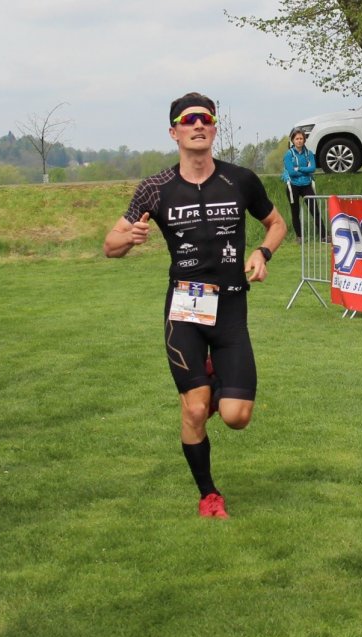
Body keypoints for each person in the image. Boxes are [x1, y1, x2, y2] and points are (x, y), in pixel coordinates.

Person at [103, 92, 286, 520]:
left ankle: (214, 379)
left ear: (214, 128)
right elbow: (110, 245)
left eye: (205, 119)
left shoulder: (240, 180)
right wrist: (127, 240)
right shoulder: (156, 188)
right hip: (186, 308)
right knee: (196, 408)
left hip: (231, 309)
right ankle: (209, 496)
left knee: (237, 416)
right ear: (174, 132)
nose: (198, 125)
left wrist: (262, 253)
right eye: (188, 121)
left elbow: (277, 223)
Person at [282, 128, 324, 242]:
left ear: (304, 140)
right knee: (295, 212)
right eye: (297, 139)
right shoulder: (288, 154)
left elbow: (313, 168)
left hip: (306, 184)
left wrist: (299, 168)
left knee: (315, 210)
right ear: (293, 140)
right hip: (293, 185)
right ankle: (299, 237)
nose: (299, 141)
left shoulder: (309, 153)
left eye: (301, 138)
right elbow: (291, 172)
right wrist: (305, 170)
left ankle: (324, 236)